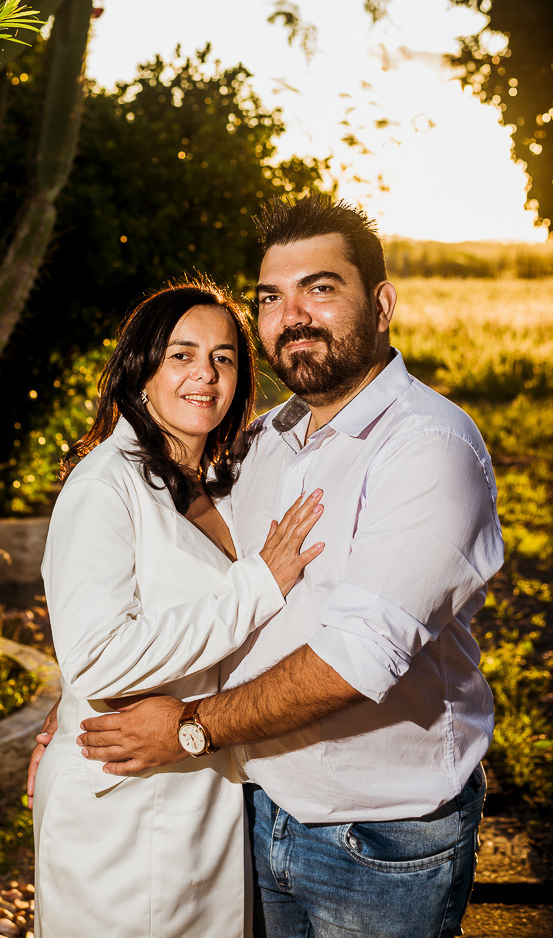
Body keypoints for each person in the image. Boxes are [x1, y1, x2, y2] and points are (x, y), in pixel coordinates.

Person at [31, 195, 504, 938]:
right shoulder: (260, 443)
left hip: (376, 837)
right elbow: (146, 582)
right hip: (256, 808)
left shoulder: (427, 447)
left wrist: (187, 726)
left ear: (380, 304)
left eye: (320, 288)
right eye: (271, 297)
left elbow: (356, 657)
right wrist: (84, 692)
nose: (293, 315)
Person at [31, 280, 326, 938]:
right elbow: (99, 658)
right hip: (125, 808)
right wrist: (257, 583)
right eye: (181, 355)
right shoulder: (103, 487)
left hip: (204, 790)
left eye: (223, 357)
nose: (205, 374)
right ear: (141, 369)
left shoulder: (220, 480)